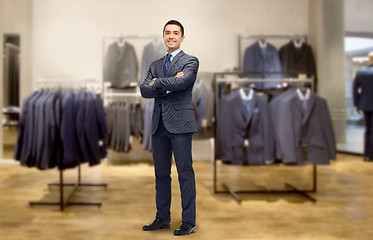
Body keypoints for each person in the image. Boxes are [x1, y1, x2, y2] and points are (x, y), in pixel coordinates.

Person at [140, 20, 199, 236]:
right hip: (159, 125)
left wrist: (156, 83)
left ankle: (189, 221)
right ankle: (162, 217)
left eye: (175, 33)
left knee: (185, 173)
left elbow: (183, 83)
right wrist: (167, 83)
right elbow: (144, 90)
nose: (171, 36)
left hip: (181, 125)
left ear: (182, 37)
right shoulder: (155, 64)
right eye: (167, 33)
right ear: (163, 36)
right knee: (161, 174)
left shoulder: (190, 61)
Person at [353, 51, 373, 161]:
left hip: (365, 104)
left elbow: (355, 90)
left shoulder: (360, 73)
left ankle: (367, 154)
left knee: (368, 129)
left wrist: (357, 103)